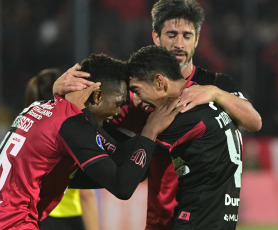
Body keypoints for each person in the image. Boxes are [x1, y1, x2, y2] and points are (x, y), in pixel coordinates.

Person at [52, 1, 262, 229]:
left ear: (198, 39)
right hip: (162, 216)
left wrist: (216, 93)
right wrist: (58, 92)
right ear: (156, 36)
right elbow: (90, 125)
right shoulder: (137, 88)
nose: (179, 44)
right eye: (171, 35)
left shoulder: (215, 84)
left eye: (187, 35)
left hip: (193, 214)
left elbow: (254, 122)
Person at [0, 53, 182, 230]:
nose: (118, 112)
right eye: (118, 103)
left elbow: (121, 160)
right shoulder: (71, 125)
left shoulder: (38, 108)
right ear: (96, 96)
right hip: (11, 224)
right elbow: (122, 186)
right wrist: (150, 130)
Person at [129, 45, 242, 230]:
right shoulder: (208, 101)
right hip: (220, 218)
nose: (136, 99)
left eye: (137, 90)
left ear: (159, 82)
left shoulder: (184, 115)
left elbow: (132, 167)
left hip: (197, 220)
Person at [25, 68, 98, 230]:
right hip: (66, 220)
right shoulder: (69, 133)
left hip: (31, 216)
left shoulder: (26, 129)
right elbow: (85, 194)